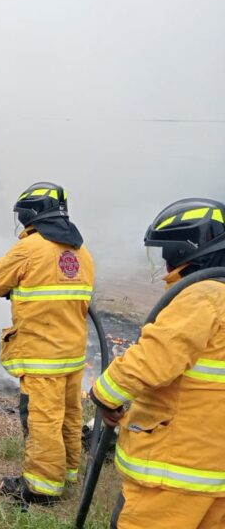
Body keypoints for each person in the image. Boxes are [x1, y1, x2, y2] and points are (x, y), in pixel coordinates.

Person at [90, 198, 225, 529]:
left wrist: (104, 394)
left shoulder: (201, 296)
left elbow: (152, 361)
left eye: (164, 252)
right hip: (213, 469)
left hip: (176, 467)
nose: (163, 263)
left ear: (185, 249)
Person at [0, 182, 95, 503]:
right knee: (70, 416)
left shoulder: (30, 248)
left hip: (41, 355)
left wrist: (13, 286)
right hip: (72, 354)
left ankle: (41, 488)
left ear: (30, 214)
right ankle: (67, 474)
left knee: (43, 420)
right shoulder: (81, 252)